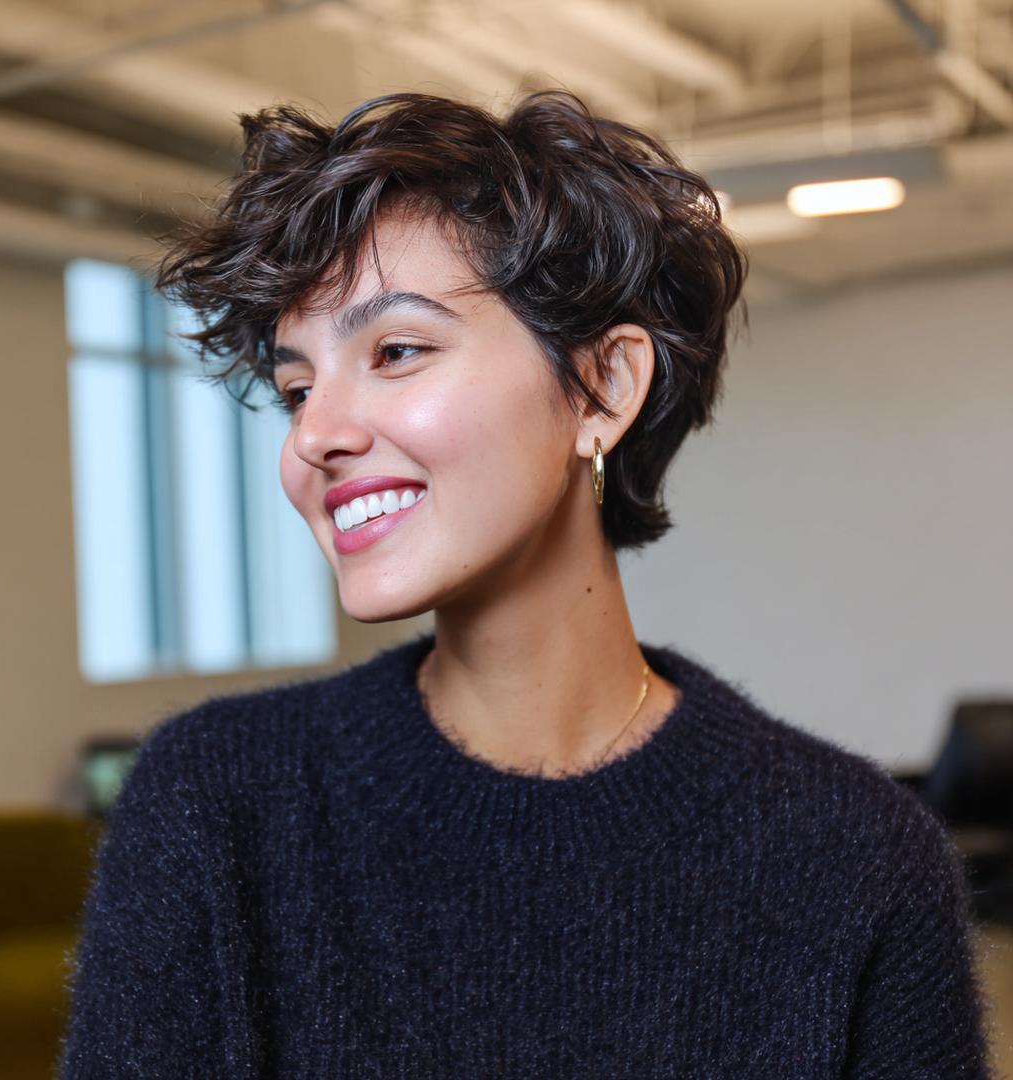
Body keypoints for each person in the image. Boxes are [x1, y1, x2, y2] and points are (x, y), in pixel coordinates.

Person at [56, 90, 995, 1078]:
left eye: (398, 350)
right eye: (297, 388)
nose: (314, 435)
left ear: (601, 388)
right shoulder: (214, 804)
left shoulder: (855, 857)